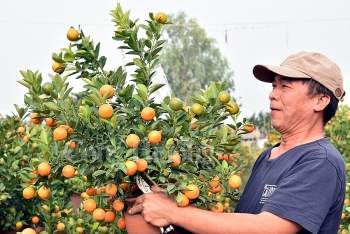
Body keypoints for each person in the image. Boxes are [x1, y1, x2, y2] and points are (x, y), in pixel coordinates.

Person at [128, 51, 346, 234]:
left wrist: (173, 212)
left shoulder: (320, 161)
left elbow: (268, 228)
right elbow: (243, 223)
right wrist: (172, 198)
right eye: (273, 86)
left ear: (320, 100)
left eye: (285, 87)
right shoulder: (270, 155)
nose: (272, 95)